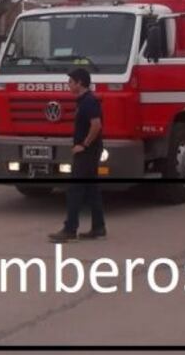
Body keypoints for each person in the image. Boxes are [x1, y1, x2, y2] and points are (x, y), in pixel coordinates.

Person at [48, 68, 106, 243]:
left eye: (71, 82)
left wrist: (83, 144)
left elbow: (96, 125)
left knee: (75, 190)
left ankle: (70, 229)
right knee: (91, 190)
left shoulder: (89, 101)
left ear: (80, 83)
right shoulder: (83, 101)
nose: (69, 85)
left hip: (87, 152)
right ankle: (98, 227)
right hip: (89, 151)